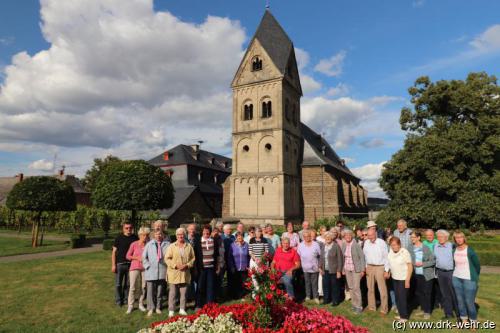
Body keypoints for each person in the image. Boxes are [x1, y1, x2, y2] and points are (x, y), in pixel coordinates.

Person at [165, 228, 195, 317]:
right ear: (176, 236)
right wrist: (175, 265)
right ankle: (171, 310)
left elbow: (193, 258)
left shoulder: (189, 246)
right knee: (173, 292)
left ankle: (182, 309)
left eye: (182, 234)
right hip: (174, 273)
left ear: (184, 235)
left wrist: (187, 265)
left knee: (184, 292)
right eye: (178, 235)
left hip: (185, 273)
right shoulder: (171, 246)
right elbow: (167, 258)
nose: (180, 236)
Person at [452, 231, 481, 323]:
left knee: (469, 302)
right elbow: (454, 264)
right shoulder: (454, 250)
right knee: (460, 301)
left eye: (460, 237)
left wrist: (475, 277)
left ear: (464, 238)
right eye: (457, 237)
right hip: (456, 278)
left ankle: (473, 321)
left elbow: (477, 266)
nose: (459, 239)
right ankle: (464, 319)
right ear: (454, 239)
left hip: (469, 279)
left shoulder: (470, 251)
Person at [142, 229, 170, 316]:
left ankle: (158, 307)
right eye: (157, 234)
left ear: (163, 235)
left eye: (160, 234)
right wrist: (147, 266)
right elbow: (143, 257)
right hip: (151, 271)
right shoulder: (149, 244)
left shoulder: (168, 245)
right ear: (154, 235)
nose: (159, 236)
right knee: (150, 291)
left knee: (160, 291)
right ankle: (151, 308)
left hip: (162, 270)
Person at [363, 228, 390, 315]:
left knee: (382, 289)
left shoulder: (381, 243)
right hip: (370, 267)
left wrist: (386, 270)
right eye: (369, 235)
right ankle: (371, 307)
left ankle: (384, 309)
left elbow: (386, 257)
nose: (370, 237)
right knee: (370, 288)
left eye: (372, 235)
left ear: (376, 234)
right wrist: (366, 267)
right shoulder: (366, 242)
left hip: (380, 267)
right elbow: (365, 256)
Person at [111, 222, 138, 307]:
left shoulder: (135, 238)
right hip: (120, 264)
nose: (128, 229)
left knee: (128, 284)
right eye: (126, 228)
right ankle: (118, 300)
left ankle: (126, 299)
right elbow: (114, 252)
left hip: (131, 264)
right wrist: (113, 265)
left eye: (130, 228)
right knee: (118, 284)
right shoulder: (118, 238)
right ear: (123, 229)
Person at [410, 231, 435, 319]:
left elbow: (433, 261)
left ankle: (427, 312)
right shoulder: (410, 248)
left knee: (427, 292)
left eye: (413, 237)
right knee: (419, 292)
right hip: (416, 274)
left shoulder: (426, 248)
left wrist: (422, 264)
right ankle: (423, 308)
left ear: (418, 238)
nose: (412, 239)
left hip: (427, 274)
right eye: (411, 237)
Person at [387, 237, 413, 323]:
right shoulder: (390, 252)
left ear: (399, 244)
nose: (393, 247)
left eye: (395, 245)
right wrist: (388, 271)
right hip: (395, 278)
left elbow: (410, 266)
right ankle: (401, 314)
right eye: (392, 245)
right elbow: (390, 263)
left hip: (403, 278)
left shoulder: (404, 252)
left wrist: (407, 280)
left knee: (402, 298)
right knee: (398, 297)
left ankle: (404, 317)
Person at [434, 229, 458, 319]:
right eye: (438, 237)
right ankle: (448, 313)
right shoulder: (436, 246)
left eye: (441, 236)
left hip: (451, 272)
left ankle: (459, 314)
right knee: (445, 293)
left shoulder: (452, 246)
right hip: (440, 272)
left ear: (446, 237)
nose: (439, 238)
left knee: (454, 293)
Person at [125, 227, 150, 314]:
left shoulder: (149, 244)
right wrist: (136, 258)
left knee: (143, 287)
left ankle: (141, 304)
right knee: (132, 287)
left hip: (145, 268)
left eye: (147, 235)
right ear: (140, 235)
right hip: (134, 267)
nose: (145, 237)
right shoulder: (134, 244)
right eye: (143, 235)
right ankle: (130, 305)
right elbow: (128, 256)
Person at [194, 225, 219, 310]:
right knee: (200, 286)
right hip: (202, 268)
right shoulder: (198, 241)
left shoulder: (214, 241)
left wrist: (217, 267)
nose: (206, 233)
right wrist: (196, 269)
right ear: (202, 232)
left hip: (211, 268)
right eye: (204, 231)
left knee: (210, 287)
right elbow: (196, 256)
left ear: (210, 232)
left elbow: (217, 255)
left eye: (208, 232)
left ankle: (209, 304)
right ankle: (198, 305)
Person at [341, 228, 365, 314]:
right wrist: (342, 269)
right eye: (346, 235)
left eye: (349, 235)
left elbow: (362, 257)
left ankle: (359, 306)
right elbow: (342, 258)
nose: (347, 237)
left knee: (356, 288)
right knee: (350, 287)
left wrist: (362, 269)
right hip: (347, 268)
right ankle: (354, 304)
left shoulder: (356, 245)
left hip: (356, 269)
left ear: (352, 236)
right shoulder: (344, 245)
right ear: (344, 237)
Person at [297, 230, 321, 304]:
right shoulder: (300, 245)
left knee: (314, 282)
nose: (307, 237)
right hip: (305, 267)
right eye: (305, 236)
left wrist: (319, 266)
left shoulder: (316, 244)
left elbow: (320, 255)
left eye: (308, 236)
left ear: (311, 236)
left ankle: (315, 297)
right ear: (303, 237)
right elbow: (298, 255)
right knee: (307, 282)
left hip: (314, 267)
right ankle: (308, 296)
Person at [320, 232, 343, 306]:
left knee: (334, 286)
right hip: (325, 270)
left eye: (329, 237)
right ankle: (326, 299)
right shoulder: (323, 246)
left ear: (332, 238)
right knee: (325, 285)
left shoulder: (336, 246)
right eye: (326, 237)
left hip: (334, 270)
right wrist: (320, 267)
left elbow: (340, 259)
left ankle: (335, 300)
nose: (327, 238)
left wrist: (339, 271)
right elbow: (321, 258)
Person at [228, 232, 250, 300]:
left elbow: (248, 256)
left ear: (243, 237)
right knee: (236, 282)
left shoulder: (246, 245)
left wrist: (248, 266)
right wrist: (231, 266)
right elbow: (230, 257)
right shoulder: (232, 245)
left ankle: (243, 295)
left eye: (241, 237)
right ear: (236, 237)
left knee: (244, 282)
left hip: (244, 267)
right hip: (235, 267)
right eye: (238, 237)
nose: (239, 238)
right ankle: (236, 296)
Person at [249, 227, 270, 291]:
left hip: (263, 261)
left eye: (260, 231)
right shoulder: (251, 240)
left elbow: (266, 251)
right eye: (258, 231)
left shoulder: (264, 240)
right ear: (255, 232)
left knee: (263, 276)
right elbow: (250, 251)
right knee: (254, 276)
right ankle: (257, 291)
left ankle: (264, 291)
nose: (259, 233)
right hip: (254, 261)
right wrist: (255, 259)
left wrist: (261, 259)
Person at [185, 223, 199, 301]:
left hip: (195, 263)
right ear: (187, 230)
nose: (192, 231)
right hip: (186, 263)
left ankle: (194, 296)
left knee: (195, 279)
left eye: (193, 229)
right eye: (190, 229)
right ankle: (187, 296)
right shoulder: (184, 239)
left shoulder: (198, 238)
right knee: (186, 280)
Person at [221, 224, 236, 298]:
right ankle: (220, 294)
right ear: (224, 230)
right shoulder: (221, 237)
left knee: (231, 277)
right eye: (228, 229)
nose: (230, 231)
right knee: (221, 277)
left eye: (230, 229)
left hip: (230, 260)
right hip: (222, 259)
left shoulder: (233, 237)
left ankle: (230, 293)